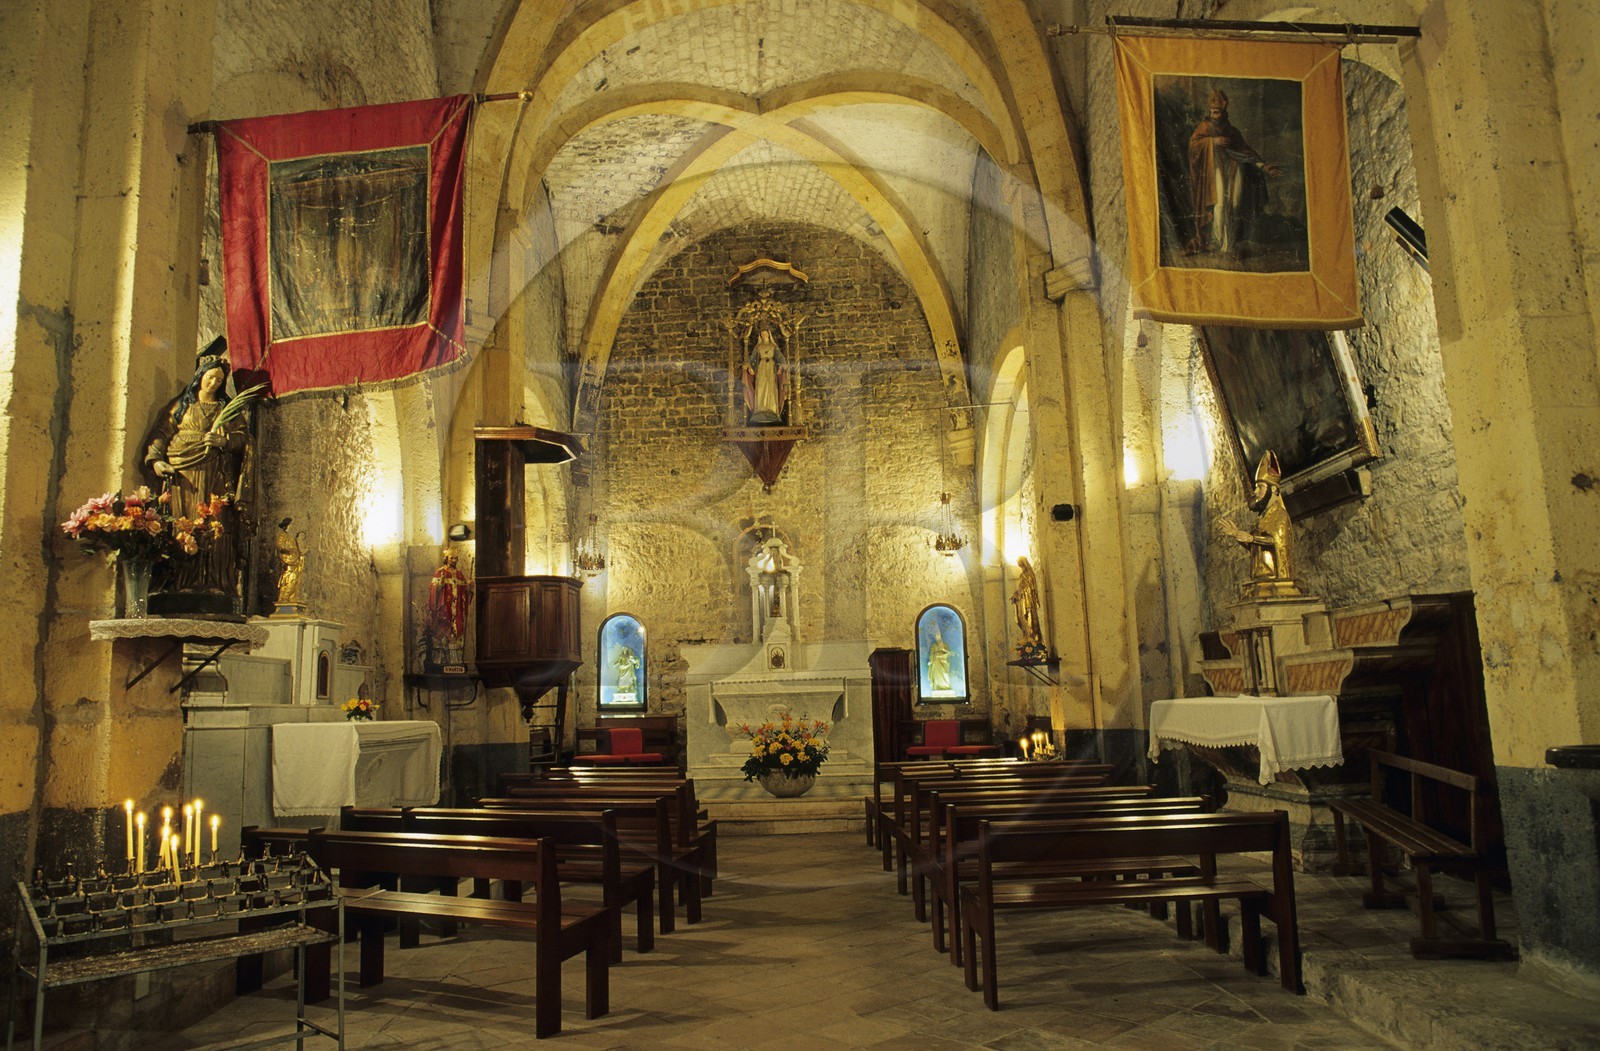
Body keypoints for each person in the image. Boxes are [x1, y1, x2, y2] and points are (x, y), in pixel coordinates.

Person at [144, 339, 249, 599]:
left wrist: (224, 441)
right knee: (181, 522)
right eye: (210, 377)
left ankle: (212, 582)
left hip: (214, 473)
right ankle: (176, 581)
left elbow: (243, 439)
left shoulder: (225, 410)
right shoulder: (180, 407)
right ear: (200, 377)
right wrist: (156, 460)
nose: (213, 383)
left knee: (215, 524)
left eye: (218, 380)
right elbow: (161, 433)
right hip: (182, 475)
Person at [1187, 88, 1284, 255]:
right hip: (1214, 169)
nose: (1213, 116)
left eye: (1216, 113)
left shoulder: (1232, 131)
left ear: (1223, 113)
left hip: (1233, 169)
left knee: (1235, 204)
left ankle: (1229, 244)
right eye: (1211, 112)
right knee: (1220, 204)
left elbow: (1245, 151)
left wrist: (1265, 166)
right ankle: (1217, 243)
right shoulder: (1204, 127)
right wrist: (1212, 142)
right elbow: (1193, 145)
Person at [1222, 450, 1302, 598]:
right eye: (1256, 487)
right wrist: (1238, 535)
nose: (1256, 492)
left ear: (1273, 490)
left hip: (1277, 581)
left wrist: (1252, 538)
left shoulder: (1280, 515)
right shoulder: (1262, 517)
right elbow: (1257, 548)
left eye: (1260, 487)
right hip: (1261, 578)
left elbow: (1277, 542)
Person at [743, 325, 788, 424]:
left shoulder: (773, 346)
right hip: (762, 368)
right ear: (760, 335)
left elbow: (780, 358)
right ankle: (760, 409)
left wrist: (780, 366)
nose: (764, 335)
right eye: (762, 334)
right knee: (761, 387)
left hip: (771, 368)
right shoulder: (758, 347)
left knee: (771, 387)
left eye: (765, 333)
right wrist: (750, 367)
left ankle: (772, 410)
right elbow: (752, 359)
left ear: (769, 334)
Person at [1011, 556, 1043, 648]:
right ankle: (1026, 636)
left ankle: (1033, 637)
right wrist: (1016, 594)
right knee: (1021, 618)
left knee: (1030, 618)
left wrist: (1020, 592)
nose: (1017, 562)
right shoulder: (1022, 575)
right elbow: (1020, 587)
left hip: (1028, 600)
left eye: (1018, 561)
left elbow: (1030, 588)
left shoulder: (1029, 574)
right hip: (1022, 600)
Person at [275, 517, 305, 611]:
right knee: (289, 580)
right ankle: (284, 599)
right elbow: (280, 546)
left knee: (295, 580)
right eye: (291, 524)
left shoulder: (289, 536)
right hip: (289, 561)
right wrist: (290, 551)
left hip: (294, 561)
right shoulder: (282, 536)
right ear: (287, 525)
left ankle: (291, 598)